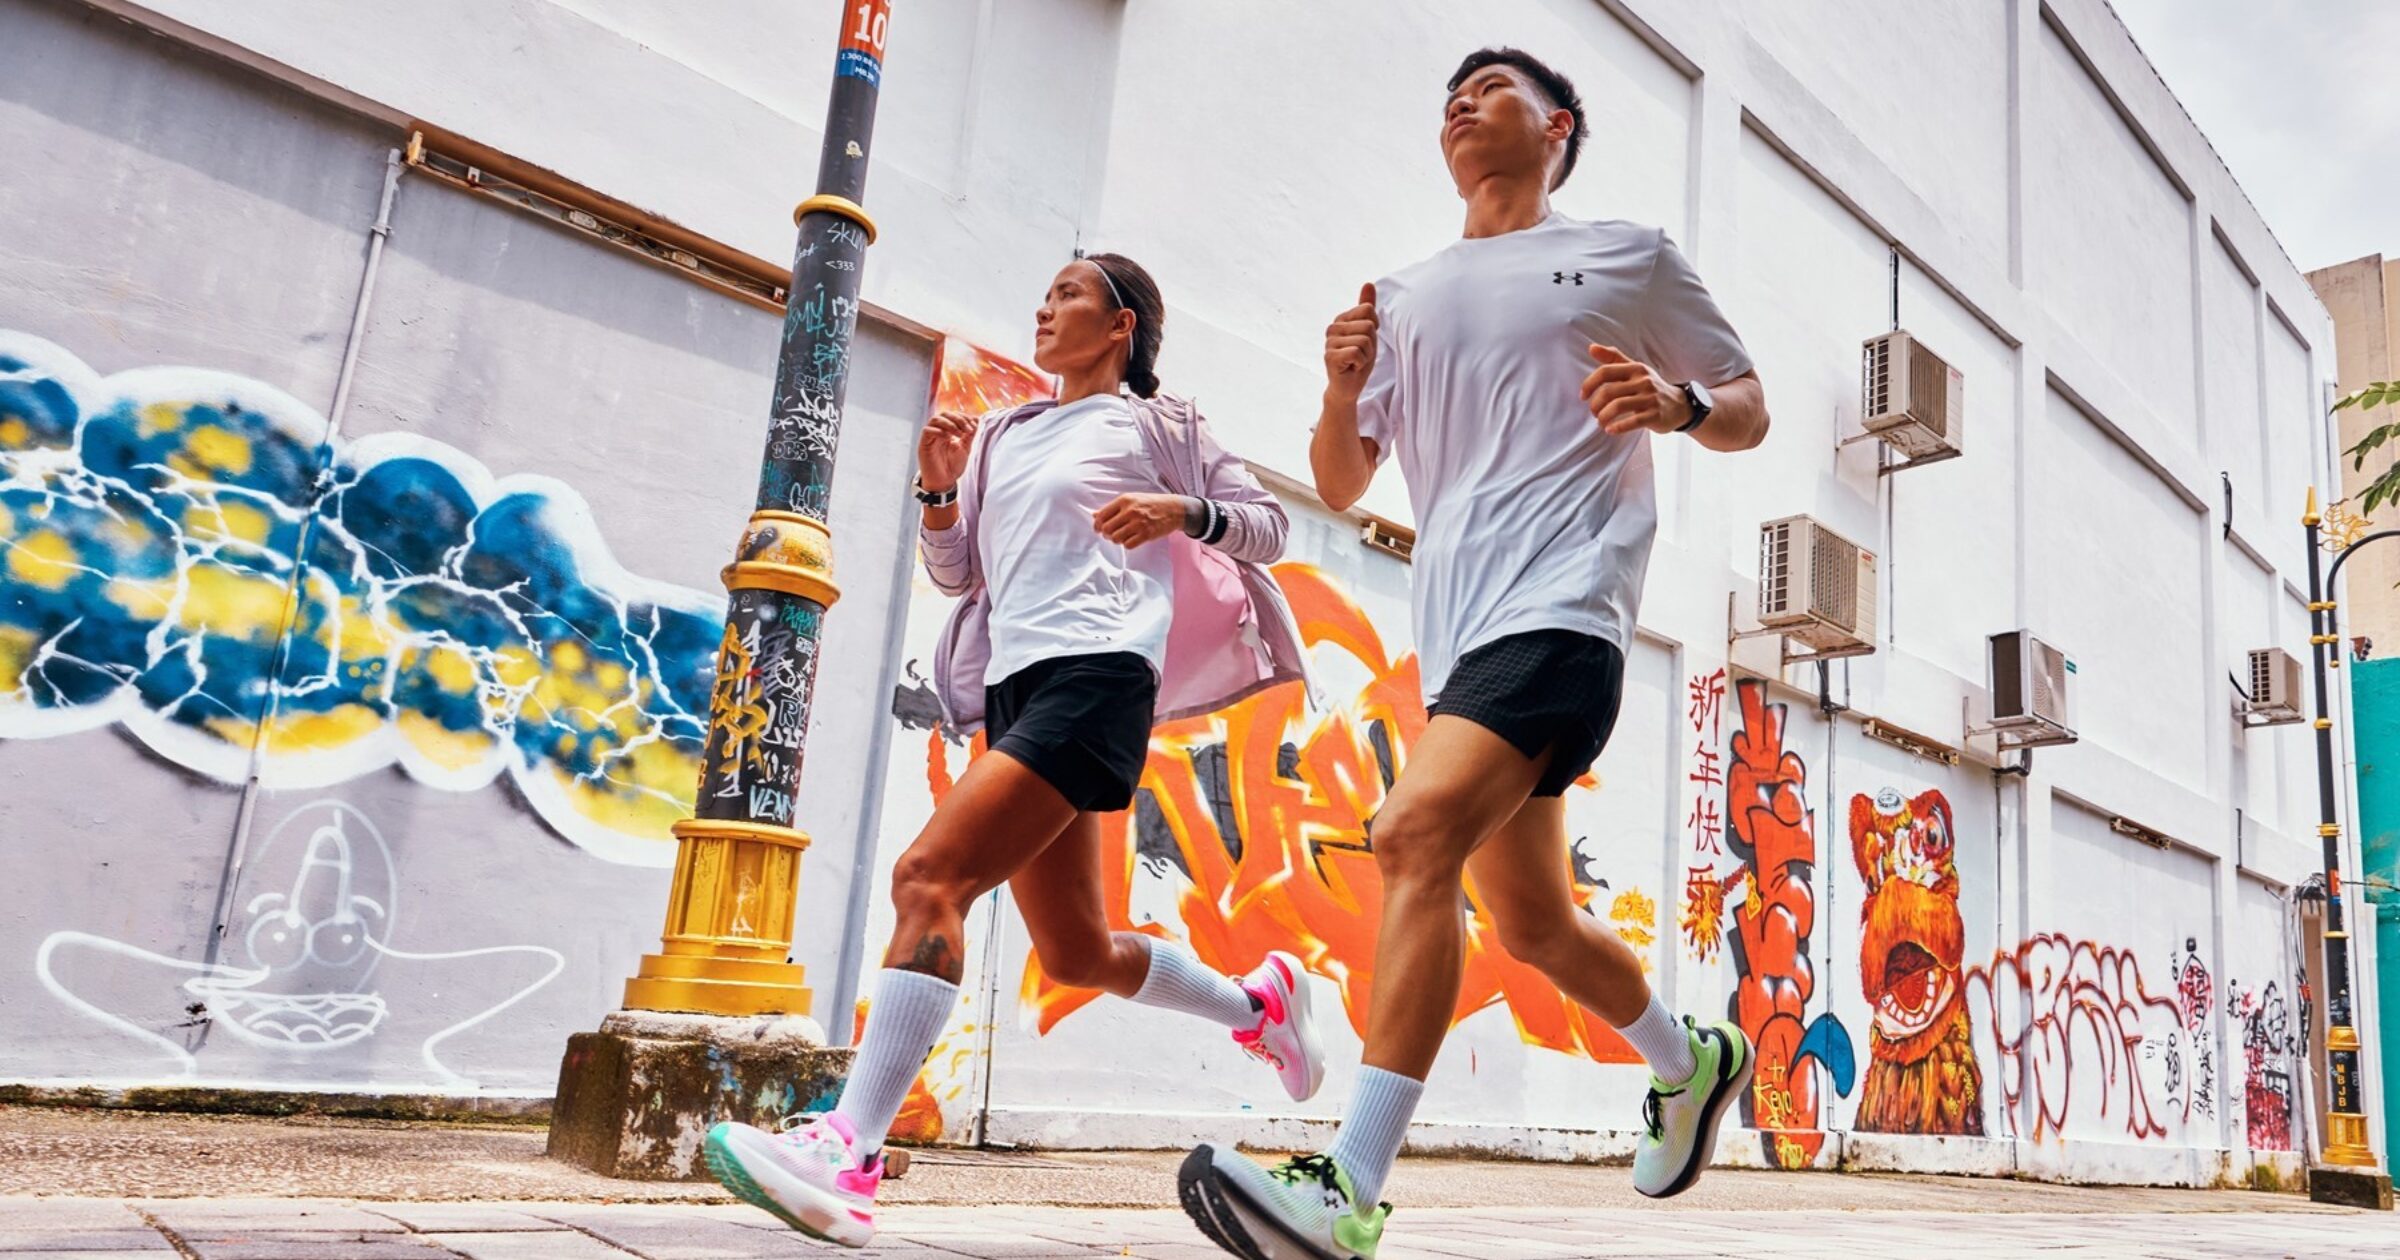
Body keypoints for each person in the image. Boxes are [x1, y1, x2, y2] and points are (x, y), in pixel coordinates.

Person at [1178, 48, 1773, 1260]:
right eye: (1452, 91)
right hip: (1459, 633)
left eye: (1493, 86)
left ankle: (1347, 1188)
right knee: (1534, 924)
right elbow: (1344, 481)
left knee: (1409, 833)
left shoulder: (1628, 256)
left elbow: (1747, 404)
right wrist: (1341, 387)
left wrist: (1678, 406)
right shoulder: (1404, 294)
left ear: (1557, 126)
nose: (1462, 100)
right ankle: (1691, 1060)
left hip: (1567, 603)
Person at [705, 253, 1325, 1248]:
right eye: (1044, 294)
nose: (1046, 306)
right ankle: (1257, 1003)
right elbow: (961, 576)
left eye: (1070, 294)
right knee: (1078, 950)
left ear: (1121, 326)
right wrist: (940, 493)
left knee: (929, 877)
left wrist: (1182, 511)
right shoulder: (1004, 432)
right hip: (1014, 683)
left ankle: (847, 1154)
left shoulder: (1159, 427)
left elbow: (1269, 528)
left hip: (1101, 672)